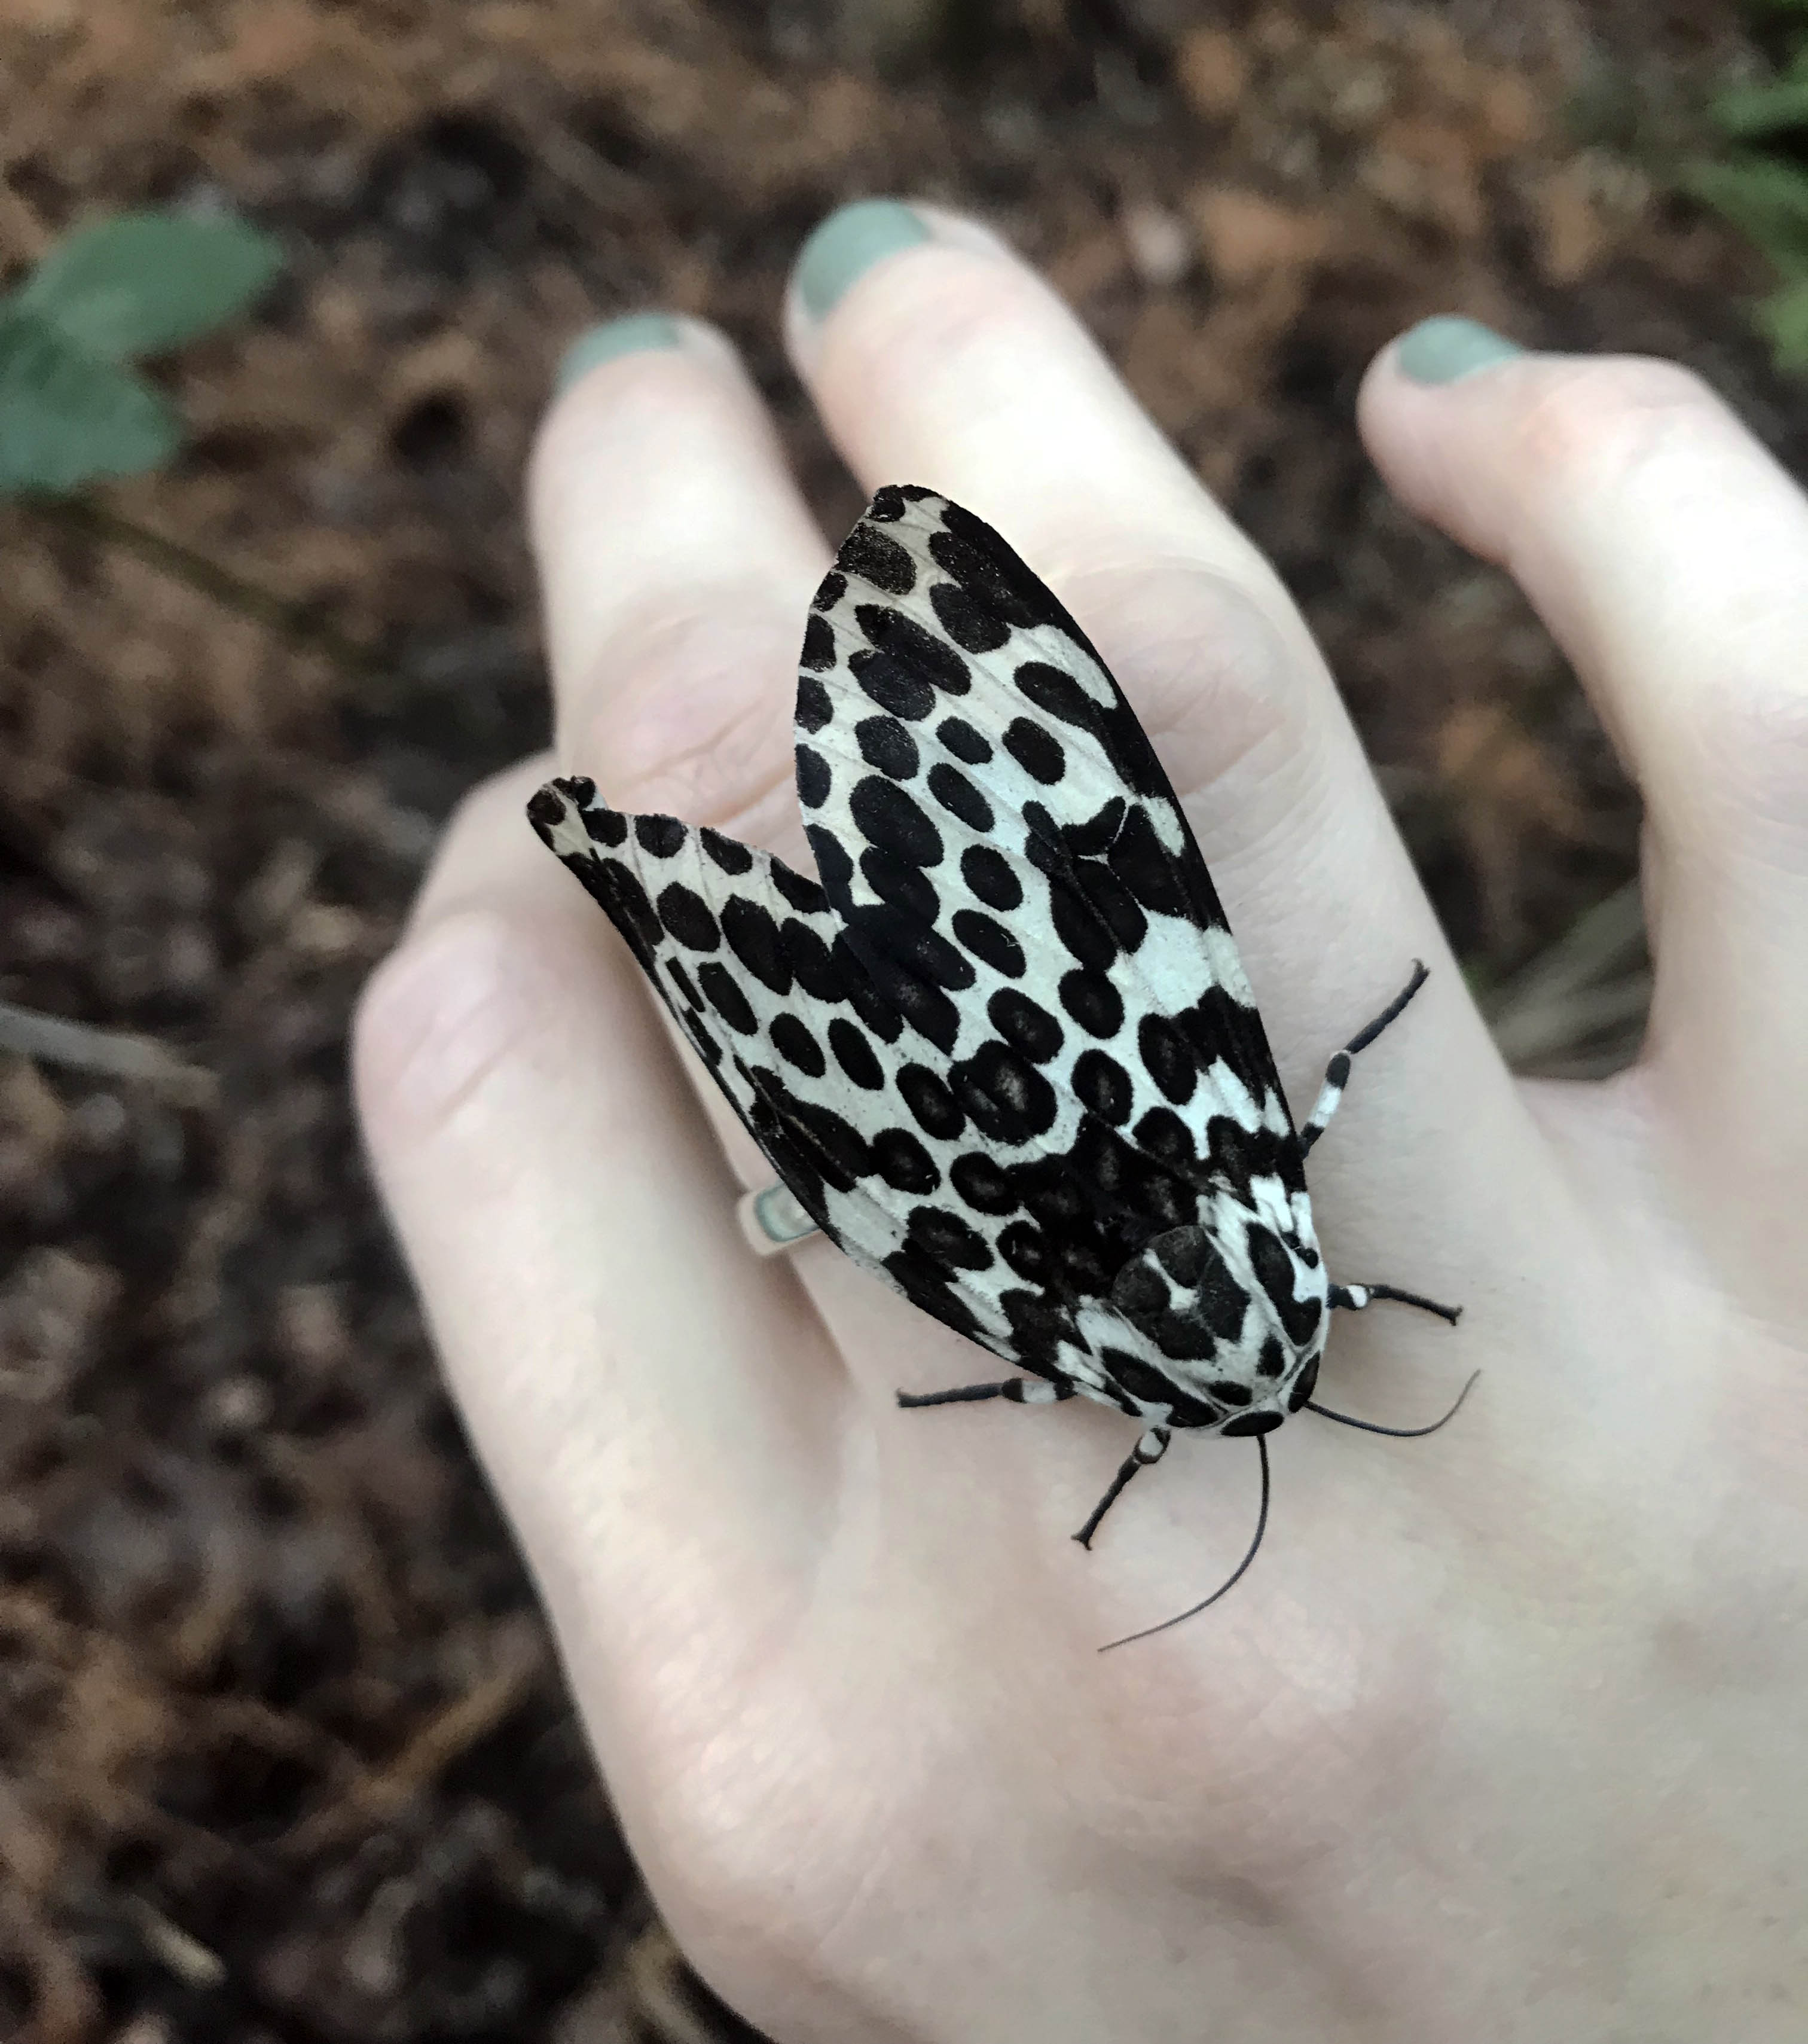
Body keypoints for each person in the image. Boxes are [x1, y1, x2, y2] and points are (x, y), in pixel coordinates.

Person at [353, 200, 1808, 2042]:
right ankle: (724, 895)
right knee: (872, 1149)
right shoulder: (1091, 1357)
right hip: (944, 1170)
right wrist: (844, 1210)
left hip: (1145, 1066)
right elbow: (1017, 1338)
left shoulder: (1278, 1247)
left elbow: (1313, 1103)